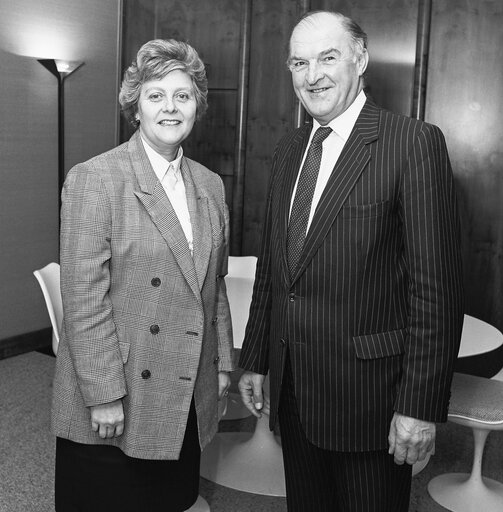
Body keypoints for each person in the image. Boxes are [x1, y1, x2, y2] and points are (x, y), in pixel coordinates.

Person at [238, 10, 464, 512]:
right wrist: (254, 357)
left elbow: (436, 292)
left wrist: (418, 408)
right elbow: (275, 268)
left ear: (360, 60)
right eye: (299, 62)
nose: (312, 74)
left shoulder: (412, 143)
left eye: (328, 57)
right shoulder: (288, 149)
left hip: (371, 403)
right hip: (293, 390)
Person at [51, 39, 234, 512]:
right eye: (156, 95)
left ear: (197, 106)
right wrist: (103, 393)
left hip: (185, 388)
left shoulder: (210, 185)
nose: (170, 107)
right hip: (122, 391)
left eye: (183, 95)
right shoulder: (96, 179)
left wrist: (222, 367)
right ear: (135, 106)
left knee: (170, 502)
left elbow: (214, 288)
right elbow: (83, 298)